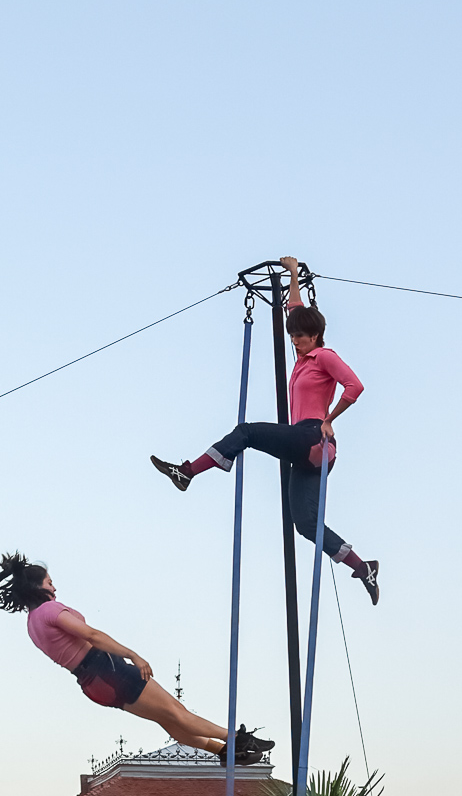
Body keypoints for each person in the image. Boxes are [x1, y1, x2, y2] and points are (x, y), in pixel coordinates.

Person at [151, 258, 378, 606]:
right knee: (304, 524)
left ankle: (188, 471)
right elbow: (295, 308)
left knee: (247, 432)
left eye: (299, 337)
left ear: (314, 336)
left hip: (313, 435)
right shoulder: (303, 360)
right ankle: (363, 567)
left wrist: (331, 418)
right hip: (308, 452)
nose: (294, 342)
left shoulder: (324, 357)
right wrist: (290, 276)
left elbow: (355, 387)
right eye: (292, 336)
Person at [0, 556, 272, 764]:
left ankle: (222, 751)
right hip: (108, 670)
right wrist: (133, 655)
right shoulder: (49, 611)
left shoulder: (31, 624)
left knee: (168, 721)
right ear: (38, 587)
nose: (55, 588)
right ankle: (237, 739)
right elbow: (92, 635)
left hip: (92, 685)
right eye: (50, 582)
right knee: (178, 712)